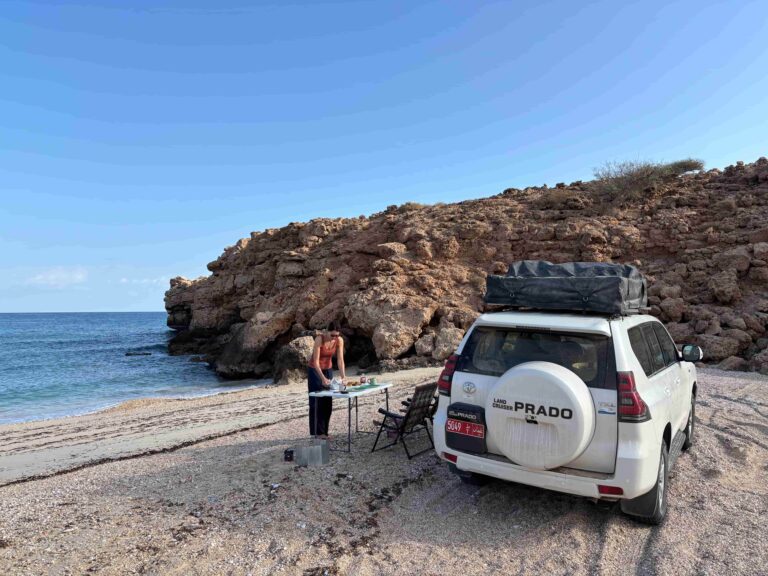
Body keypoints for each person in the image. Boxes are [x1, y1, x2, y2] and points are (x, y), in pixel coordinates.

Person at [308, 325, 346, 438]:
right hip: (315, 370)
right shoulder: (319, 339)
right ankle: (317, 433)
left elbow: (340, 360)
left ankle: (325, 432)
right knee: (316, 401)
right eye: (332, 335)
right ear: (327, 332)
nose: (334, 337)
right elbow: (315, 361)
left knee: (327, 401)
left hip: (328, 369)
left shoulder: (339, 340)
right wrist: (322, 378)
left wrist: (343, 376)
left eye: (336, 335)